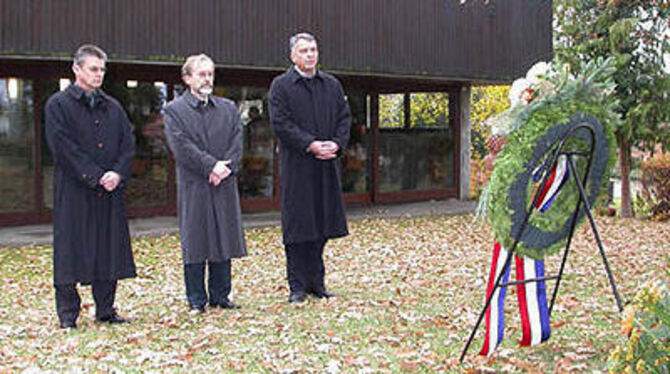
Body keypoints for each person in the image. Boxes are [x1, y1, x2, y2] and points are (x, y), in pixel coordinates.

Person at [44, 44, 136, 329]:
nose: (99, 75)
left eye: (102, 70)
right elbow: (63, 148)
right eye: (93, 69)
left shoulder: (113, 107)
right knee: (71, 250)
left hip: (110, 192)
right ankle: (68, 315)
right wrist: (96, 175)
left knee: (108, 249)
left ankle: (106, 309)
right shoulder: (58, 105)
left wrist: (117, 174)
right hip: (74, 192)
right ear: (77, 69)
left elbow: (128, 142)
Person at [268, 32, 351, 303]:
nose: (310, 55)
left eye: (313, 49)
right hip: (298, 168)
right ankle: (297, 285)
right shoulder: (281, 86)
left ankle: (317, 282)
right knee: (298, 228)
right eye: (304, 51)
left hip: (326, 167)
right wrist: (310, 144)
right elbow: (281, 123)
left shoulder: (332, 85)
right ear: (293, 55)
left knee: (322, 225)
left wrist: (336, 144)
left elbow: (344, 118)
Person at [164, 54, 247, 313]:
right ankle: (196, 298)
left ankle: (221, 295)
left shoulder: (227, 108)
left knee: (224, 236)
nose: (207, 79)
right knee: (196, 238)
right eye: (201, 74)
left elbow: (237, 140)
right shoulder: (174, 110)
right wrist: (211, 165)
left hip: (223, 181)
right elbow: (181, 146)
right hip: (195, 183)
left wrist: (226, 167)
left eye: (210, 73)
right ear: (187, 78)